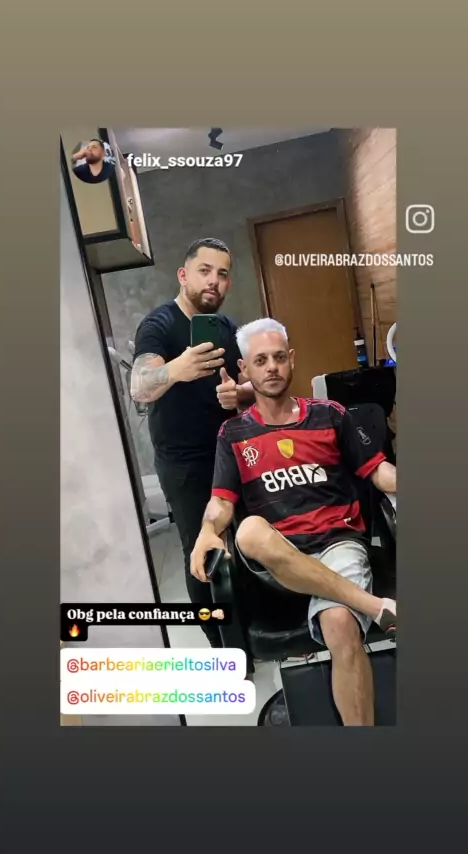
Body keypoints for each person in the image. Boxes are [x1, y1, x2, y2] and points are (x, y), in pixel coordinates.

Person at [190, 317, 397, 726]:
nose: (272, 367)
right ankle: (376, 607)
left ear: (292, 360)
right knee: (249, 530)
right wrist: (207, 531)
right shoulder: (234, 434)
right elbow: (221, 502)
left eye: (279, 358)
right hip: (278, 559)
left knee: (340, 623)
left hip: (337, 542)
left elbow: (377, 471)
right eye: (260, 360)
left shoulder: (329, 415)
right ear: (244, 369)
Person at [130, 238, 254, 646]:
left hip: (230, 452)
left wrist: (238, 394)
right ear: (183, 276)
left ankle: (249, 629)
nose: (214, 281)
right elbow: (139, 387)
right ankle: (220, 643)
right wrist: (177, 369)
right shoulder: (159, 325)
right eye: (204, 271)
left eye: (222, 274)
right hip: (183, 462)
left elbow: (248, 386)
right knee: (200, 549)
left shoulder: (226, 328)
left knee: (244, 538)